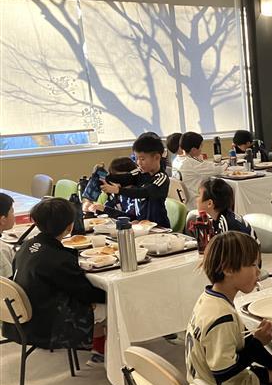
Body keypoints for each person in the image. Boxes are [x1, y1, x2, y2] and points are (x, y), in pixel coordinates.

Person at [186, 232, 272, 385]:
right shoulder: (221, 316)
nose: (258, 272)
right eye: (253, 265)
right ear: (228, 269)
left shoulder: (209, 300)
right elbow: (224, 371)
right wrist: (258, 342)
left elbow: (245, 342)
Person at [2, 198, 106, 354]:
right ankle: (100, 352)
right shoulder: (58, 259)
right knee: (108, 306)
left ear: (36, 223)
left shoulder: (26, 245)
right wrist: (109, 295)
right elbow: (85, 293)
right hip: (47, 323)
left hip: (23, 318)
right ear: (69, 227)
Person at [99, 135, 170, 228]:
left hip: (159, 227)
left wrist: (118, 190)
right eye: (137, 158)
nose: (138, 162)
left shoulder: (161, 178)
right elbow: (123, 178)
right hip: (141, 226)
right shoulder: (139, 172)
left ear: (157, 157)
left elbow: (144, 192)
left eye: (142, 159)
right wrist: (102, 176)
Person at [172, 131, 228, 205]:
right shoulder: (191, 163)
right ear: (194, 149)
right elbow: (218, 169)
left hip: (184, 201)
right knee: (225, 194)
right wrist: (227, 163)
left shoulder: (176, 160)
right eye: (201, 146)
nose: (201, 149)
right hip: (195, 202)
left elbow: (205, 165)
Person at [0, 192, 15, 278]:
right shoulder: (3, 250)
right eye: (12, 212)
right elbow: (9, 282)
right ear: (3, 220)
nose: (14, 216)